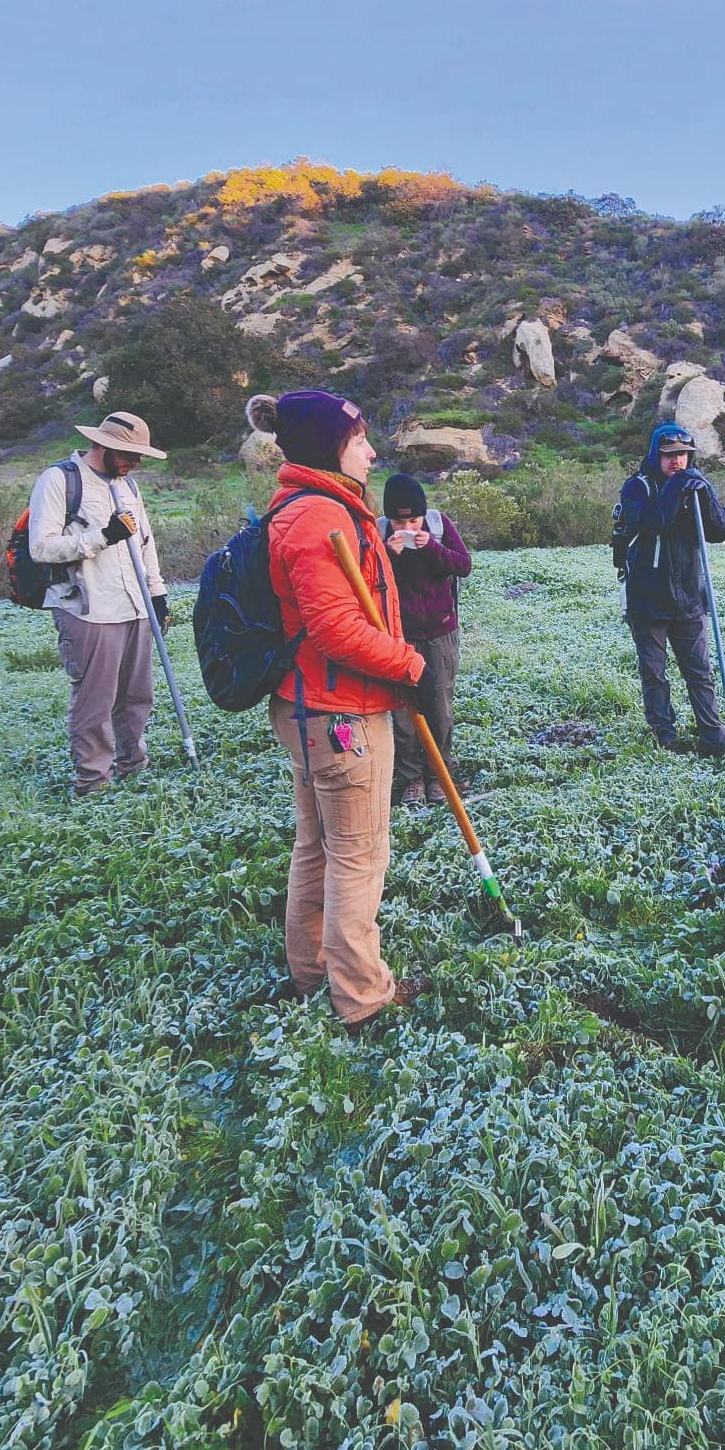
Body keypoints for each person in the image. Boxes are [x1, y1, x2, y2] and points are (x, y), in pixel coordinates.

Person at [246, 390, 440, 1032]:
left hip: (314, 710)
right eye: (360, 440)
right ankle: (361, 996)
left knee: (319, 847)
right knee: (358, 854)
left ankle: (309, 970)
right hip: (340, 716)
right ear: (332, 447)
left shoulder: (318, 509)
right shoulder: (314, 519)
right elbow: (336, 630)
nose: (372, 450)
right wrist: (408, 663)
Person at [27, 408, 171, 796]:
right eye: (129, 454)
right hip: (88, 609)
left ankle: (133, 765)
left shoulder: (129, 486)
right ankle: (93, 781)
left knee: (138, 696)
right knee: (96, 700)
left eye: (140, 456)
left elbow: (145, 544)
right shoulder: (59, 481)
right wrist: (101, 536)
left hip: (134, 606)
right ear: (101, 445)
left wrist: (157, 594)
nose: (135, 463)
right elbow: (40, 547)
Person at [616, 421, 725, 756]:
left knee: (700, 672)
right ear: (656, 455)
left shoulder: (692, 486)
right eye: (669, 455)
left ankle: (714, 738)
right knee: (654, 673)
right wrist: (678, 486)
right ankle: (665, 737)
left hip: (689, 600)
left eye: (683, 455)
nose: (677, 461)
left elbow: (720, 530)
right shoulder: (636, 488)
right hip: (647, 601)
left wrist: (705, 492)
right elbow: (654, 522)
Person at [381, 473, 473, 808]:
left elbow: (463, 565)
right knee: (404, 712)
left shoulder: (439, 525)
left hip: (440, 633)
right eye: (398, 520)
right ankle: (411, 779)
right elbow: (365, 579)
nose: (406, 525)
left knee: (439, 708)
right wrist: (387, 556)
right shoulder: (378, 534)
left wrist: (430, 546)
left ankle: (438, 774)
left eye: (413, 519)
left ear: (424, 513)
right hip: (399, 636)